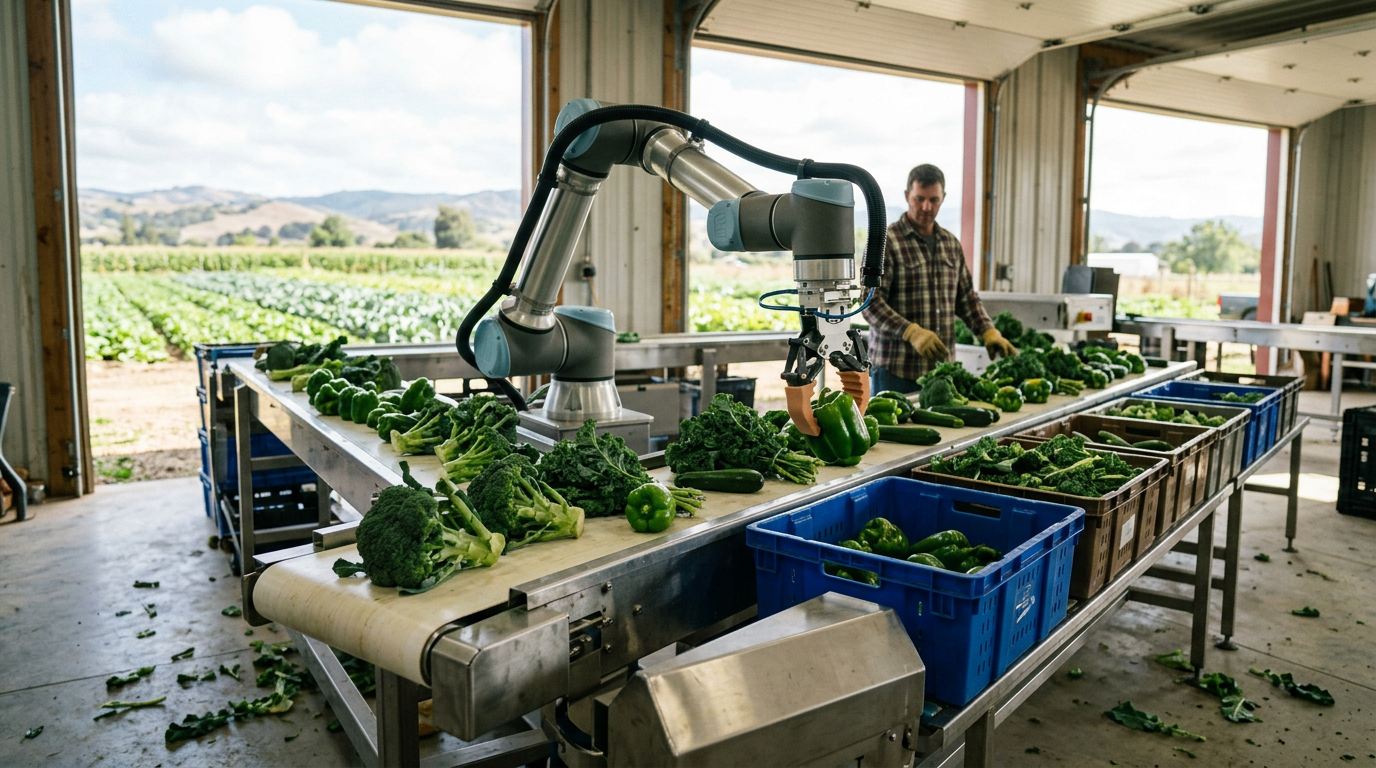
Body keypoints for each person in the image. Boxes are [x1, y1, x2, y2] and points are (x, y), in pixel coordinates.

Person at [862, 164, 1016, 394]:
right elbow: (869, 303)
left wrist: (988, 331)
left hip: (943, 374)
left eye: (934, 200)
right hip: (895, 372)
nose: (927, 207)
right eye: (919, 198)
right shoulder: (886, 242)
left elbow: (966, 298)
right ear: (907, 196)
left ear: (943, 198)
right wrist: (911, 332)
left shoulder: (950, 244)